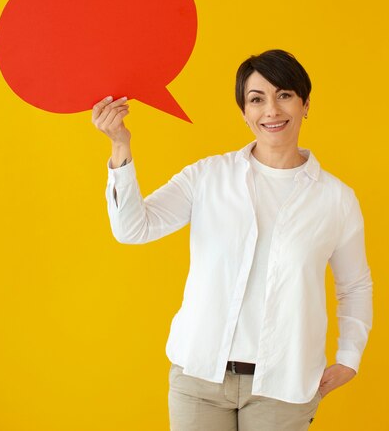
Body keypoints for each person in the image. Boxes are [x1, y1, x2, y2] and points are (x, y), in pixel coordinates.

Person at [92, 49, 372, 431]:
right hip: (199, 378)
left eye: (284, 94)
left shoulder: (336, 199)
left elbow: (354, 285)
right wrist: (120, 145)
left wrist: (349, 356)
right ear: (244, 112)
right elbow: (133, 228)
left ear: (306, 104)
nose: (271, 110)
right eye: (257, 99)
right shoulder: (208, 176)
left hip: (283, 388)